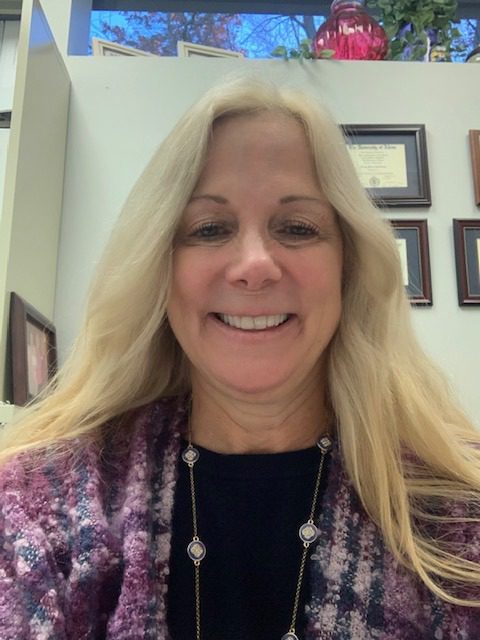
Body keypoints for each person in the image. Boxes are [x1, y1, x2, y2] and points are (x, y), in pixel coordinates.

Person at [0, 77, 479, 640]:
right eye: (210, 229)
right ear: (159, 268)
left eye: (297, 228)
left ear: (349, 269)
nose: (254, 264)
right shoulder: (38, 510)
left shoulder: (456, 520)